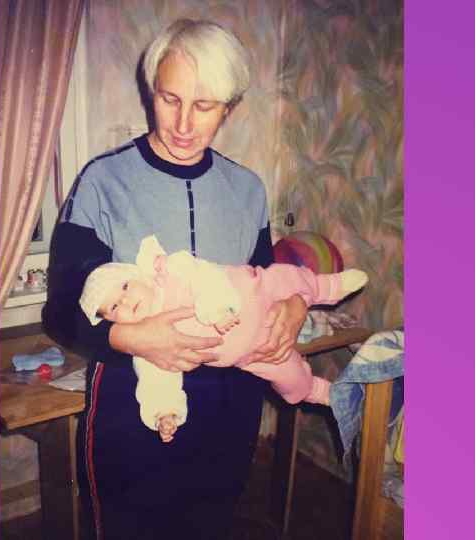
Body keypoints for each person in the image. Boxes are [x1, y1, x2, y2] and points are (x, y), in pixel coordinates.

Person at [42, 19, 310, 540]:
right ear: (151, 92)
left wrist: (295, 303)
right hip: (132, 406)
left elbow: (266, 282)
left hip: (231, 408)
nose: (184, 124)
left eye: (204, 106)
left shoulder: (248, 190)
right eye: (170, 99)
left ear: (229, 108)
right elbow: (61, 309)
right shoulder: (103, 181)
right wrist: (130, 336)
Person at [78, 235, 369, 443]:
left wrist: (215, 309)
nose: (126, 301)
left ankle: (327, 286)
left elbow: (205, 275)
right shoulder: (148, 343)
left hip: (256, 292)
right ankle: (319, 391)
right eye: (114, 307)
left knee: (285, 278)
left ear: (138, 275)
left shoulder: (170, 271)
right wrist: (164, 412)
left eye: (125, 287)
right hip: (253, 353)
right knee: (290, 380)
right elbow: (157, 380)